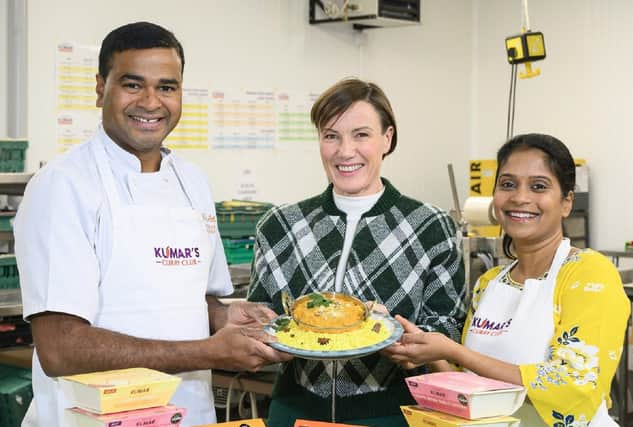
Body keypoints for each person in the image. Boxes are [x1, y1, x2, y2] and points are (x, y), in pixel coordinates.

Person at [14, 22, 291, 427]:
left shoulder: (192, 180)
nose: (150, 102)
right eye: (132, 84)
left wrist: (226, 318)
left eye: (166, 87)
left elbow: (192, 298)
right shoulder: (63, 186)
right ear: (99, 88)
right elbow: (60, 349)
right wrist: (209, 352)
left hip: (188, 414)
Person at [246, 78, 466, 426]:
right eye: (331, 136)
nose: (345, 151)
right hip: (295, 411)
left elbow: (448, 328)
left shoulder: (430, 226)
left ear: (387, 139)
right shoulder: (280, 225)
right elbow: (260, 320)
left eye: (361, 135)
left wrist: (397, 334)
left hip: (392, 414)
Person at [385, 133, 630, 426]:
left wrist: (454, 351)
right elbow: (474, 387)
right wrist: (426, 351)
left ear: (566, 202)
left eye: (538, 186)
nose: (520, 197)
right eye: (507, 184)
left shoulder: (589, 273)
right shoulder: (489, 283)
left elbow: (573, 385)